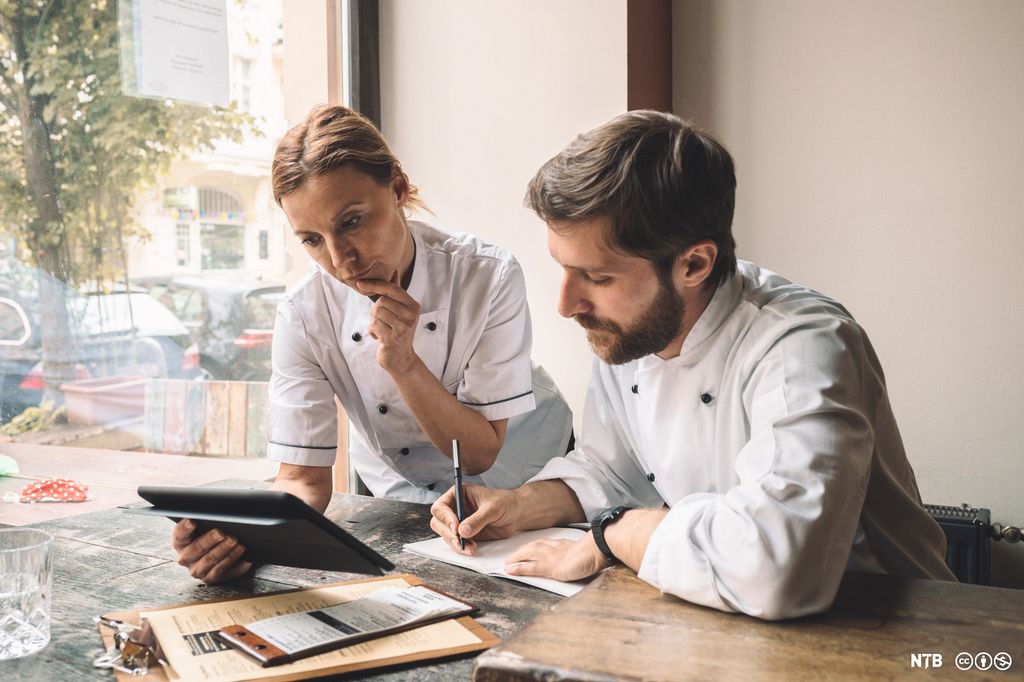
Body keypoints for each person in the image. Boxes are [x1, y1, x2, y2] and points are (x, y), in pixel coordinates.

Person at [430, 110, 955, 620]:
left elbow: (778, 565)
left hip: (886, 628)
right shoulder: (632, 332)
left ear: (694, 263)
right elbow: (614, 469)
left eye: (598, 277)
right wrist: (519, 506)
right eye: (563, 270)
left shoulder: (804, 346)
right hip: (727, 620)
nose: (566, 305)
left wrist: (616, 534)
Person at [173, 104, 572, 583]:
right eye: (312, 240)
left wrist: (403, 361)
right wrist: (240, 538)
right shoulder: (304, 314)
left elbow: (482, 450)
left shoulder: (487, 275)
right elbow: (301, 479)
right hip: (402, 495)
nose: (341, 260)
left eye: (351, 222)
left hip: (527, 471)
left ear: (398, 188)